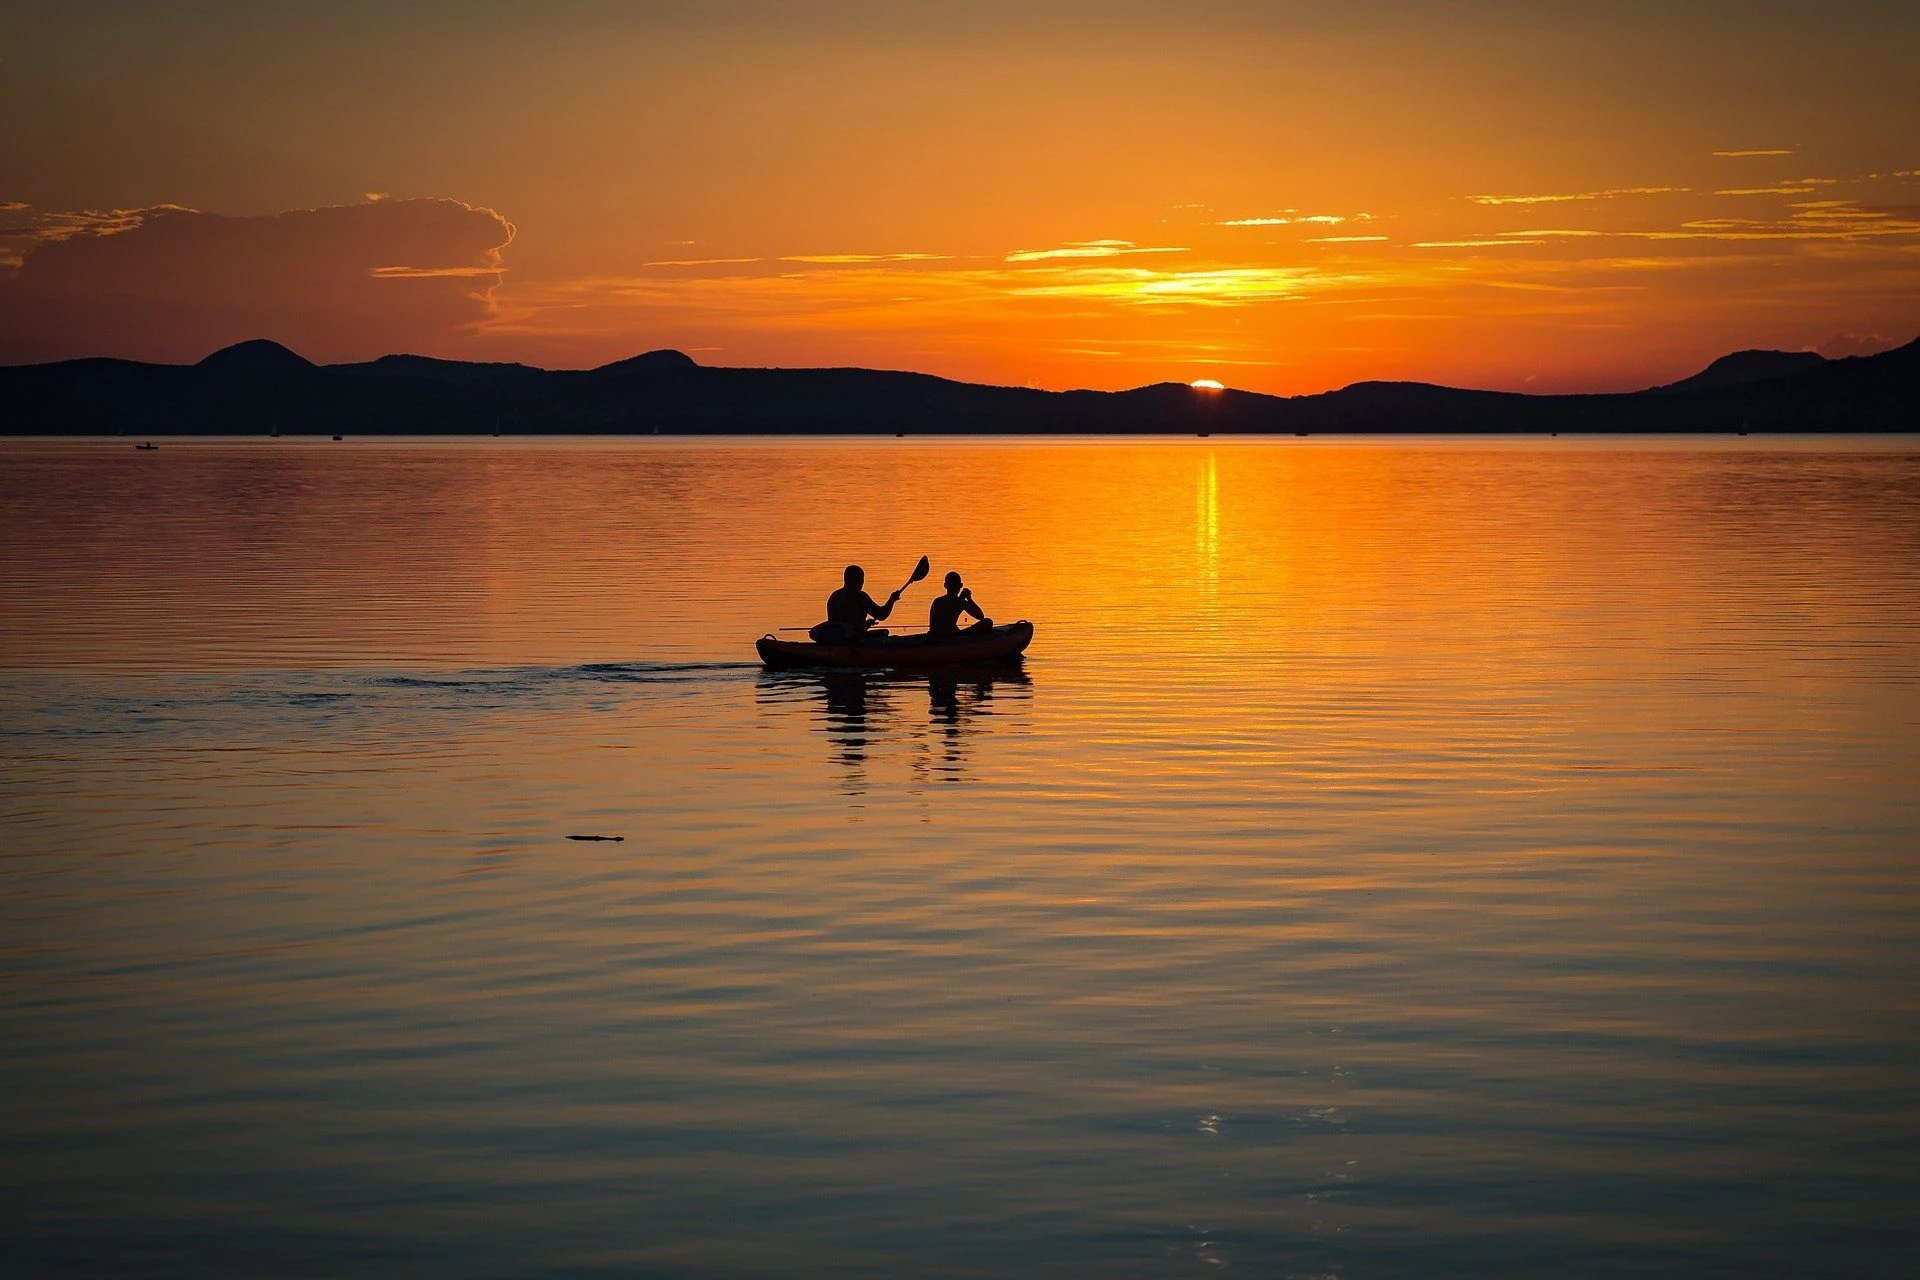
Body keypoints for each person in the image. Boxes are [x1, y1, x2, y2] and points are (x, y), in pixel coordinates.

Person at [812, 564, 901, 643]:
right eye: (862, 578)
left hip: (837, 638)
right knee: (884, 633)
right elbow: (881, 615)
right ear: (860, 580)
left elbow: (842, 623)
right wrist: (891, 600)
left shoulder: (834, 596)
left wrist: (865, 624)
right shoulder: (860, 596)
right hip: (853, 641)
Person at [928, 571, 993, 637]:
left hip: (934, 636)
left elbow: (951, 612)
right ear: (961, 585)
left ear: (945, 585)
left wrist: (961, 598)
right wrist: (970, 599)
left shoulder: (937, 601)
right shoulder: (961, 602)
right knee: (988, 621)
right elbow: (980, 616)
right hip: (949, 637)